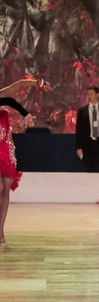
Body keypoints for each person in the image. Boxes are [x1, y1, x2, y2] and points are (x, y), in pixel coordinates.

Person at [0, 97, 32, 243]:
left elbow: (10, 100)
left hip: (6, 151)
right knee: (0, 187)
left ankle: (1, 230)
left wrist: (26, 115)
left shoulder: (3, 109)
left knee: (5, 189)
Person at [75, 86, 99, 172]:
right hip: (87, 144)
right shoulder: (82, 111)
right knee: (88, 170)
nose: (89, 96)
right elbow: (78, 130)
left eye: (91, 94)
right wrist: (78, 147)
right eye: (88, 94)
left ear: (97, 95)